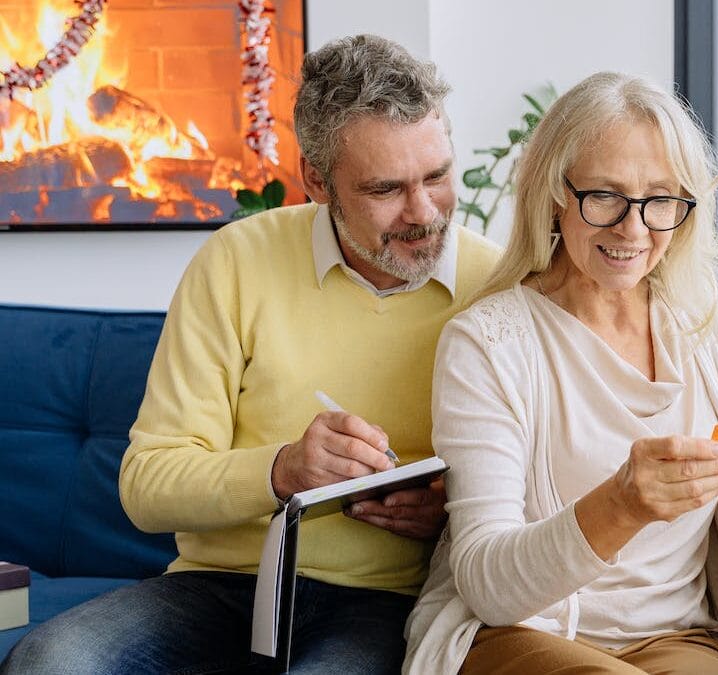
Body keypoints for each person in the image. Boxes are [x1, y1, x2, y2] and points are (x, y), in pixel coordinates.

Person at [0, 35, 500, 674]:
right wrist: (285, 470)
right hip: (218, 587)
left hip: (384, 602)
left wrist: (448, 515)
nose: (425, 213)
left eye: (437, 175)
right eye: (386, 189)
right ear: (316, 181)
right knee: (49, 662)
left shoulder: (499, 284)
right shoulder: (235, 260)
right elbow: (146, 486)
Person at [403, 72, 718, 675]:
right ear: (555, 192)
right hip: (519, 634)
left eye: (660, 199)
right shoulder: (489, 343)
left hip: (676, 639)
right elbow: (486, 583)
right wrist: (621, 506)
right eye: (605, 196)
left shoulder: (702, 332)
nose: (633, 230)